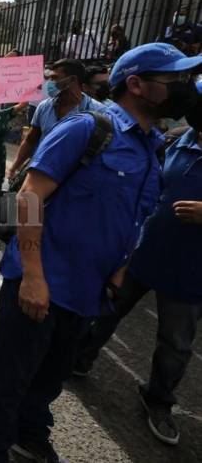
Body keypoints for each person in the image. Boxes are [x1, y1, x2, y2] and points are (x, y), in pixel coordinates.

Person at [0, 42, 201, 463]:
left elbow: (137, 215)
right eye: (175, 81)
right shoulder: (87, 129)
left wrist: (122, 269)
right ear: (136, 84)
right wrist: (35, 276)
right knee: (11, 375)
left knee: (52, 376)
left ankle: (30, 431)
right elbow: (29, 199)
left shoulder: (153, 148)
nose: (186, 89)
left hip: (87, 292)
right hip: (41, 283)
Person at [72, 78, 202, 446]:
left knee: (176, 342)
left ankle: (158, 399)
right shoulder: (175, 140)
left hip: (191, 271)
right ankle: (80, 358)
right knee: (108, 310)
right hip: (142, 255)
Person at [8, 59, 106, 180]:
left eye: (55, 78)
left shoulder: (98, 112)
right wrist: (14, 167)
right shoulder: (44, 107)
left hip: (73, 180)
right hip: (40, 176)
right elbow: (31, 140)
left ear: (72, 80)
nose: (50, 82)